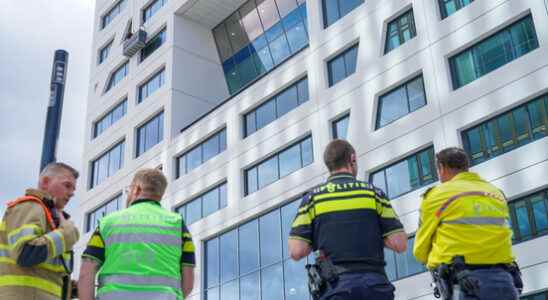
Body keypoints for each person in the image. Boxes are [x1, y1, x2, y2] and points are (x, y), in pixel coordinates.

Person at [288, 139, 408, 300]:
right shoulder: (374, 194)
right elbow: (400, 244)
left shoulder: (312, 199)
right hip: (375, 287)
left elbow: (296, 251)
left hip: (336, 289)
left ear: (328, 164)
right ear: (352, 159)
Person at [413, 147, 520, 300]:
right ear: (466, 166)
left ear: (441, 168)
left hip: (464, 282)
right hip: (505, 280)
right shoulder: (496, 193)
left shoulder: (436, 196)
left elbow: (420, 250)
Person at [78, 168, 195, 300]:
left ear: (136, 189)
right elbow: (188, 282)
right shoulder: (178, 225)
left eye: (128, 191)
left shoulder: (108, 223)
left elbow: (85, 274)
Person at [0, 162, 80, 300]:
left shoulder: (51, 218)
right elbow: (26, 253)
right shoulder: (30, 206)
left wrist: (70, 289)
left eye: (73, 189)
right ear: (45, 182)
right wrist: (67, 235)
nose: (71, 193)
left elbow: (42, 272)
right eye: (67, 185)